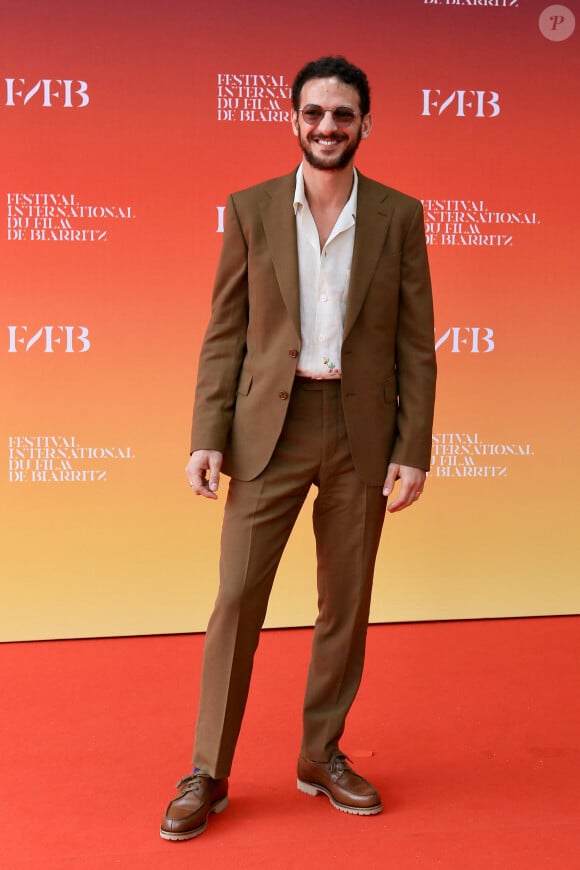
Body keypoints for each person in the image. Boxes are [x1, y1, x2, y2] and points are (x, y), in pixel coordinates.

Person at [160, 55, 436, 841]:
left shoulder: (399, 215)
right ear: (293, 120)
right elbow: (226, 335)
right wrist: (207, 435)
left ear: (365, 125)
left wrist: (412, 446)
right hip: (266, 433)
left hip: (361, 431)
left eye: (343, 115)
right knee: (236, 603)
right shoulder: (249, 209)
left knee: (344, 606)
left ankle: (321, 755)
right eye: (314, 113)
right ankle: (207, 772)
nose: (327, 126)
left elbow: (417, 343)